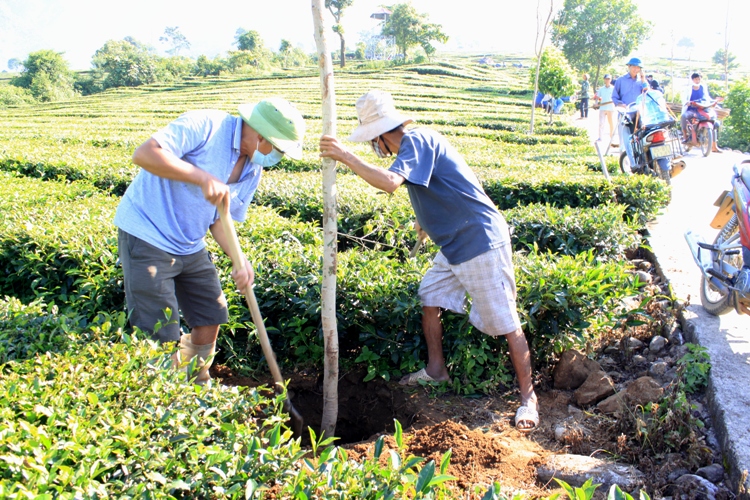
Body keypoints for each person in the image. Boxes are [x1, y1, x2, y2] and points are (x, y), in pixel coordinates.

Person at [318, 90, 539, 432]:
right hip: (451, 243)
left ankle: (528, 398)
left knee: (506, 321)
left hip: (477, 241)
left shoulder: (415, 141)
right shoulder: (419, 143)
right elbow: (440, 183)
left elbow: (391, 183)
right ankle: (436, 370)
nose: (376, 150)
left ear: (379, 137)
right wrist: (426, 219)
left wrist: (345, 156)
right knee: (430, 295)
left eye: (372, 143)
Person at [115, 98, 306, 385]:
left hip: (190, 242)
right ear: (259, 136)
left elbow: (221, 220)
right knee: (161, 330)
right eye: (277, 149)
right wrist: (201, 178)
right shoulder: (205, 125)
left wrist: (239, 260)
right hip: (148, 233)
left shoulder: (253, 169)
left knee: (211, 312)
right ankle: (164, 395)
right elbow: (144, 154)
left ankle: (195, 380)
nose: (276, 157)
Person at [612, 57, 649, 168]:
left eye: (638, 68)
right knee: (625, 140)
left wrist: (643, 80)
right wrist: (620, 104)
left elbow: (647, 93)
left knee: (640, 139)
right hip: (625, 114)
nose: (635, 69)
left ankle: (642, 163)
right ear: (629, 67)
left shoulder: (641, 81)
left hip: (638, 114)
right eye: (633, 67)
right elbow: (614, 96)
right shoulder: (621, 80)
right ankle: (625, 165)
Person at [680, 72, 721, 144]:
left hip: (702, 108)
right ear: (692, 80)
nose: (697, 81)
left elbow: (707, 98)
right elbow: (684, 99)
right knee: (684, 116)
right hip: (692, 109)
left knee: (714, 120)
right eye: (696, 79)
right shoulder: (688, 89)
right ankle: (685, 136)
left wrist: (714, 101)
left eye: (699, 79)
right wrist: (687, 102)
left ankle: (714, 145)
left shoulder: (703, 87)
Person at [595, 74, 618, 145]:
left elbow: (616, 97)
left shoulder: (614, 88)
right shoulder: (601, 89)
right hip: (603, 108)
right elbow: (597, 97)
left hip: (611, 108)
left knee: (611, 123)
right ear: (604, 80)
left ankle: (612, 138)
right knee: (601, 123)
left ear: (610, 80)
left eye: (609, 79)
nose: (607, 80)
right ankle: (600, 137)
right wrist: (596, 103)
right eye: (606, 79)